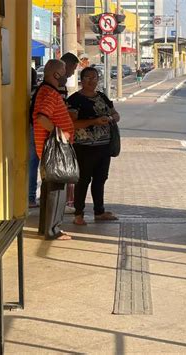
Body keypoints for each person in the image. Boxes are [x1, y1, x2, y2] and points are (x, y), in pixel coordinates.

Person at [67, 67, 121, 225]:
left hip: (104, 146)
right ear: (81, 80)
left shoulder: (103, 97)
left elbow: (116, 114)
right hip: (84, 147)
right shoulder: (75, 99)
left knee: (100, 179)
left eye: (95, 77)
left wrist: (110, 118)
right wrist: (93, 121)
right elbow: (72, 123)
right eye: (88, 78)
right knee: (83, 180)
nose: (92, 81)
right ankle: (78, 214)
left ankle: (99, 211)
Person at [33, 59, 75, 240]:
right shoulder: (49, 93)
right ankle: (53, 230)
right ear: (56, 74)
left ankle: (46, 228)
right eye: (64, 71)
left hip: (48, 147)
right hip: (54, 148)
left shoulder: (45, 90)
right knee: (57, 190)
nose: (66, 75)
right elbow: (42, 117)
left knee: (49, 189)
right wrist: (61, 133)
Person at [59, 53, 80, 214]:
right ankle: (66, 201)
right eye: (73, 67)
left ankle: (68, 201)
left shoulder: (61, 85)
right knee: (64, 170)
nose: (74, 72)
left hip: (64, 135)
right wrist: (59, 133)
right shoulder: (55, 86)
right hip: (60, 137)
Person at [28, 67, 40, 208]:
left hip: (26, 128)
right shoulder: (39, 92)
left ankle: (30, 196)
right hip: (35, 129)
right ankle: (30, 197)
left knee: (31, 163)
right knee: (33, 162)